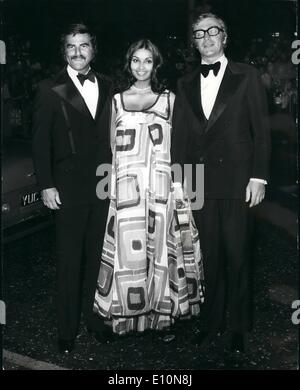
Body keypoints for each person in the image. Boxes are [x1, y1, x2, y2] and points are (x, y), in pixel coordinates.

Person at [171, 13, 270, 352]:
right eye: (200, 33)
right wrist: (180, 180)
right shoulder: (184, 83)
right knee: (208, 257)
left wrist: (259, 177)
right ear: (194, 42)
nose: (208, 37)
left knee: (238, 254)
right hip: (199, 181)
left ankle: (239, 325)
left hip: (239, 180)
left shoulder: (247, 75)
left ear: (225, 37)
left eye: (214, 31)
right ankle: (211, 322)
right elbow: (180, 135)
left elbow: (262, 132)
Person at [94, 39, 204, 338]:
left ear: (156, 65)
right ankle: (126, 317)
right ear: (128, 64)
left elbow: (183, 145)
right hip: (126, 190)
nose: (141, 67)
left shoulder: (169, 100)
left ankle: (161, 315)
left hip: (159, 189)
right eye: (135, 60)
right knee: (127, 255)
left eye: (147, 61)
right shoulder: (116, 101)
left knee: (158, 253)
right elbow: (108, 147)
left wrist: (182, 186)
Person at [32, 23, 114, 354]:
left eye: (84, 46)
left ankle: (96, 322)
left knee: (99, 259)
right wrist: (46, 185)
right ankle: (67, 329)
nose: (78, 53)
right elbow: (40, 143)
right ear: (63, 51)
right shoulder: (49, 88)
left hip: (105, 185)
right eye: (71, 47)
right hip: (67, 187)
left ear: (93, 49)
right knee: (69, 261)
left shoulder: (109, 84)